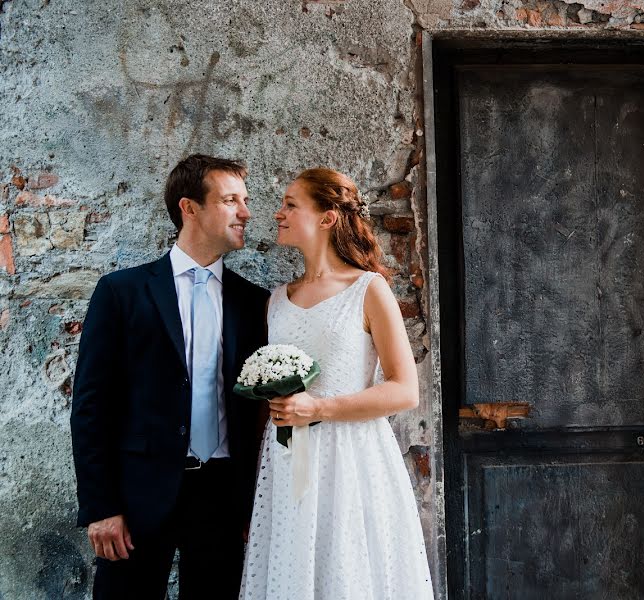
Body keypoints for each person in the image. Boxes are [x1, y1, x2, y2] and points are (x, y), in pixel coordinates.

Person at [70, 154, 270, 599]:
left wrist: (254, 503)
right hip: (137, 493)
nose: (246, 212)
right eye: (231, 200)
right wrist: (102, 507)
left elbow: (256, 412)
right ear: (190, 207)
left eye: (246, 200)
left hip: (222, 495)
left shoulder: (253, 302)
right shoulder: (122, 292)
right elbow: (91, 407)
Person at [239, 168, 434, 599]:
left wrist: (318, 409)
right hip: (290, 460)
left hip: (353, 459)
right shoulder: (275, 300)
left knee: (348, 574)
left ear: (327, 218)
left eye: (291, 204)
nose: (278, 213)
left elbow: (405, 390)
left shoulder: (368, 289)